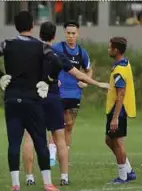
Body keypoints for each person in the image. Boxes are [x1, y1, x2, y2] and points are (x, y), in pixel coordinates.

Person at [21, 21, 109, 187]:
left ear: (39, 34)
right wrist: (98, 84)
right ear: (55, 36)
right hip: (54, 98)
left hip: (34, 98)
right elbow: (78, 75)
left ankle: (30, 177)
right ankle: (64, 177)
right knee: (60, 139)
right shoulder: (57, 54)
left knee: (29, 137)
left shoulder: (29, 52)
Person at [0, 11, 60, 191]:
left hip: (12, 98)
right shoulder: (41, 46)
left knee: (14, 143)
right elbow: (56, 63)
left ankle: (15, 184)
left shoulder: (7, 44)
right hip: (33, 99)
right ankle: (48, 183)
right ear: (32, 26)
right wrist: (47, 81)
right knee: (41, 141)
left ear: (16, 26)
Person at [52, 20, 92, 155]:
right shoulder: (57, 48)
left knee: (69, 125)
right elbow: (46, 63)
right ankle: (52, 155)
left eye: (73, 33)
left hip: (74, 94)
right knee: (56, 125)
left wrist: (85, 82)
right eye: (68, 33)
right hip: (58, 92)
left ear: (78, 34)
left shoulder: (82, 52)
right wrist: (53, 80)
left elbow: (88, 70)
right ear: (65, 33)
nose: (70, 36)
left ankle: (64, 153)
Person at [105, 37, 136, 184]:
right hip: (115, 109)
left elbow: (121, 93)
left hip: (118, 110)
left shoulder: (119, 70)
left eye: (110, 47)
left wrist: (115, 117)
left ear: (116, 50)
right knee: (109, 140)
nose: (108, 49)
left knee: (117, 143)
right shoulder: (124, 63)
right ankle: (128, 170)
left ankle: (123, 176)